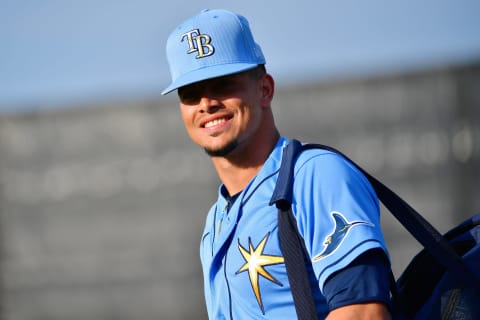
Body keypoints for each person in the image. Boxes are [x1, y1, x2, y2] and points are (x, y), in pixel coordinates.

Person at [162, 9, 392, 320]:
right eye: (191, 94)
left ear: (265, 89)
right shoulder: (216, 219)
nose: (206, 104)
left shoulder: (314, 175)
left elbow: (364, 312)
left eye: (222, 84)